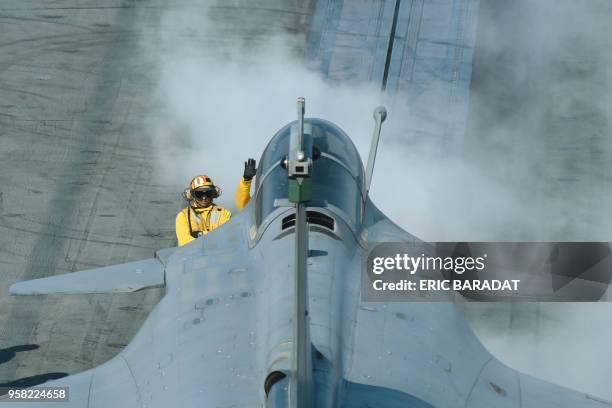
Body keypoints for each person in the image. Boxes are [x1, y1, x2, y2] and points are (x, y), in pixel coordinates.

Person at [175, 175, 231, 246]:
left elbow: (227, 239)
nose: (204, 198)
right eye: (199, 194)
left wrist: (199, 235)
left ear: (214, 194)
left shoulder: (224, 213)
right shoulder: (183, 216)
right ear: (191, 195)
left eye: (208, 194)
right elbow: (186, 243)